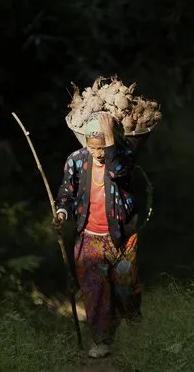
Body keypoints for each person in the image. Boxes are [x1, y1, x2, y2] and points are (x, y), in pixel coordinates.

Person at [53, 111, 142, 359]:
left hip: (123, 238)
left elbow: (118, 173)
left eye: (102, 148)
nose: (98, 153)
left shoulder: (124, 157)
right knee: (94, 292)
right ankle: (102, 339)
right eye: (93, 148)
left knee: (126, 289)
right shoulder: (76, 160)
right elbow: (66, 193)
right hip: (89, 236)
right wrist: (61, 214)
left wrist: (111, 142)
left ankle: (134, 327)